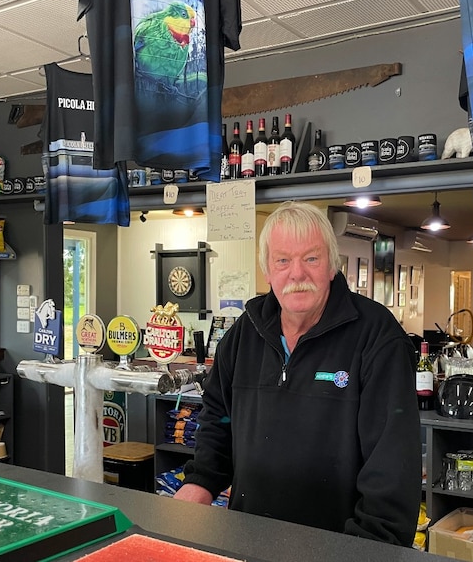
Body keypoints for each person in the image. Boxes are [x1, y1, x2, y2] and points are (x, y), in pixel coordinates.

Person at [174, 201, 422, 547]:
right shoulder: (245, 333)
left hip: (338, 550)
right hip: (249, 540)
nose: (297, 274)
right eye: (283, 260)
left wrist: (366, 552)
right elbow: (219, 419)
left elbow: (393, 469)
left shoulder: (378, 338)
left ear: (332, 266)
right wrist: (199, 482)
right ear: (267, 270)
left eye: (311, 258)